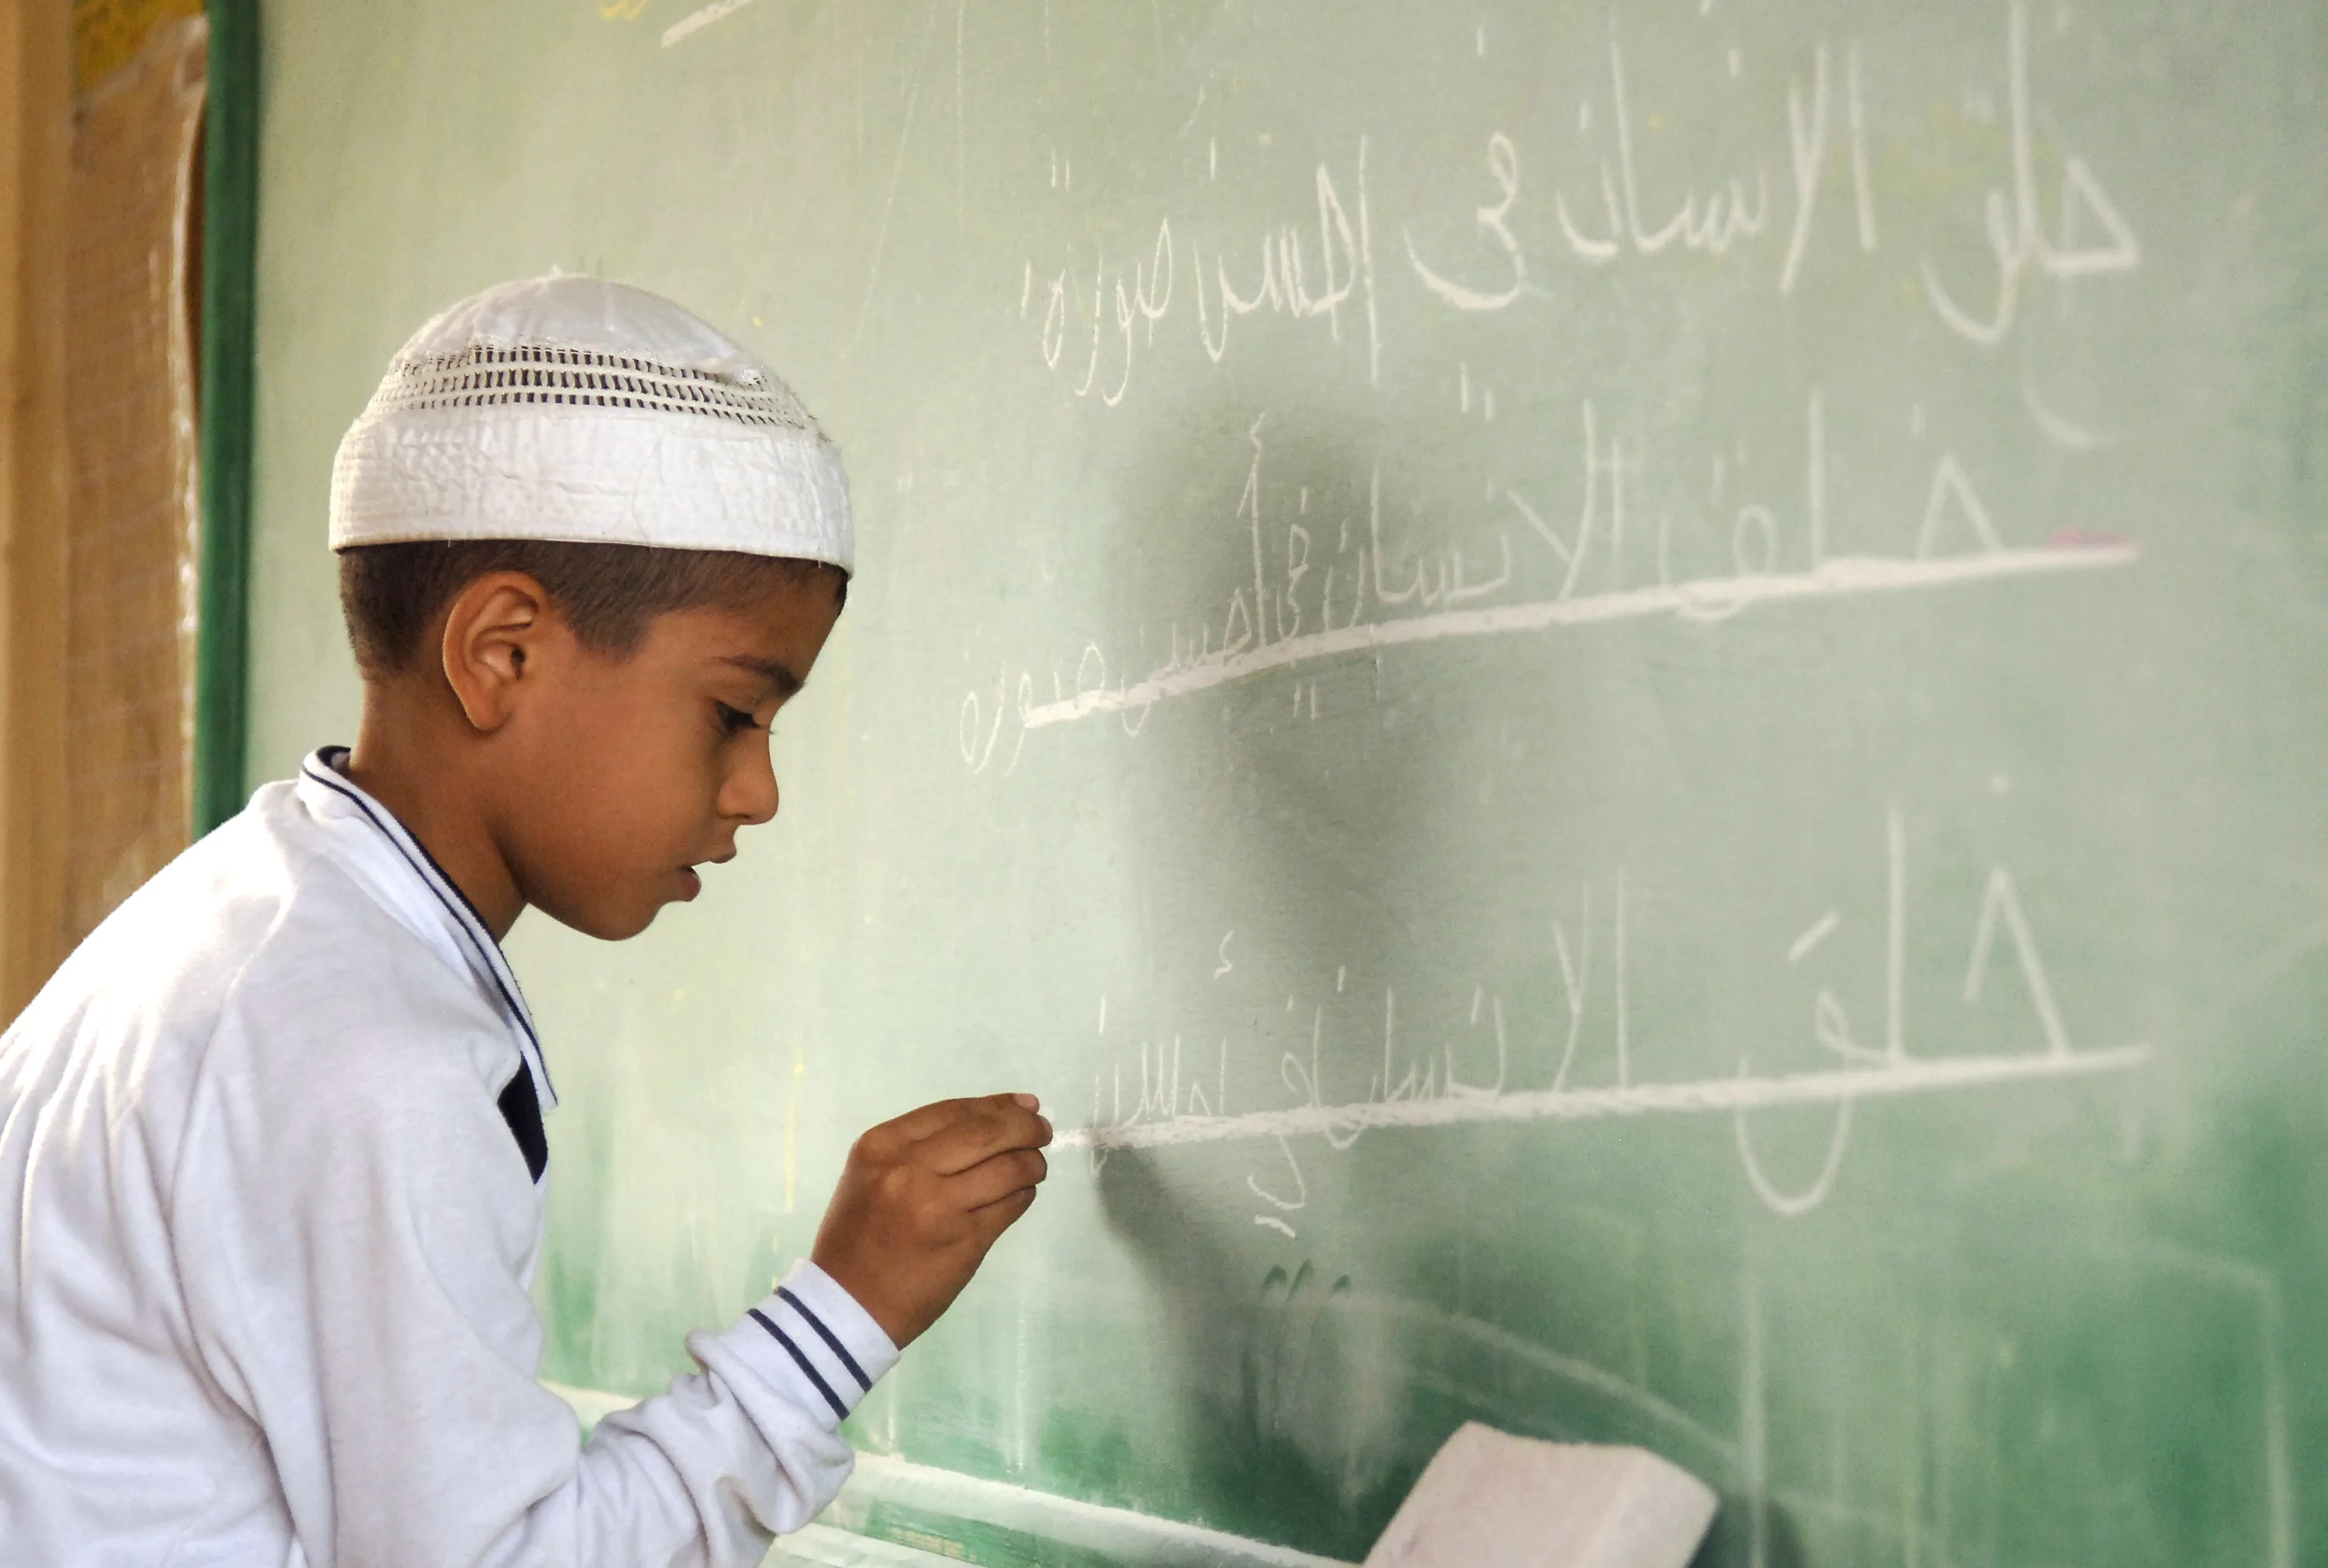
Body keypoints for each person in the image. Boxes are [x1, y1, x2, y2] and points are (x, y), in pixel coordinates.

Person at [0, 275, 1052, 1566]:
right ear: (502, 652)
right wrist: (846, 1314)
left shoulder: (239, 922)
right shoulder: (374, 1050)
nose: (759, 792)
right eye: (734, 711)